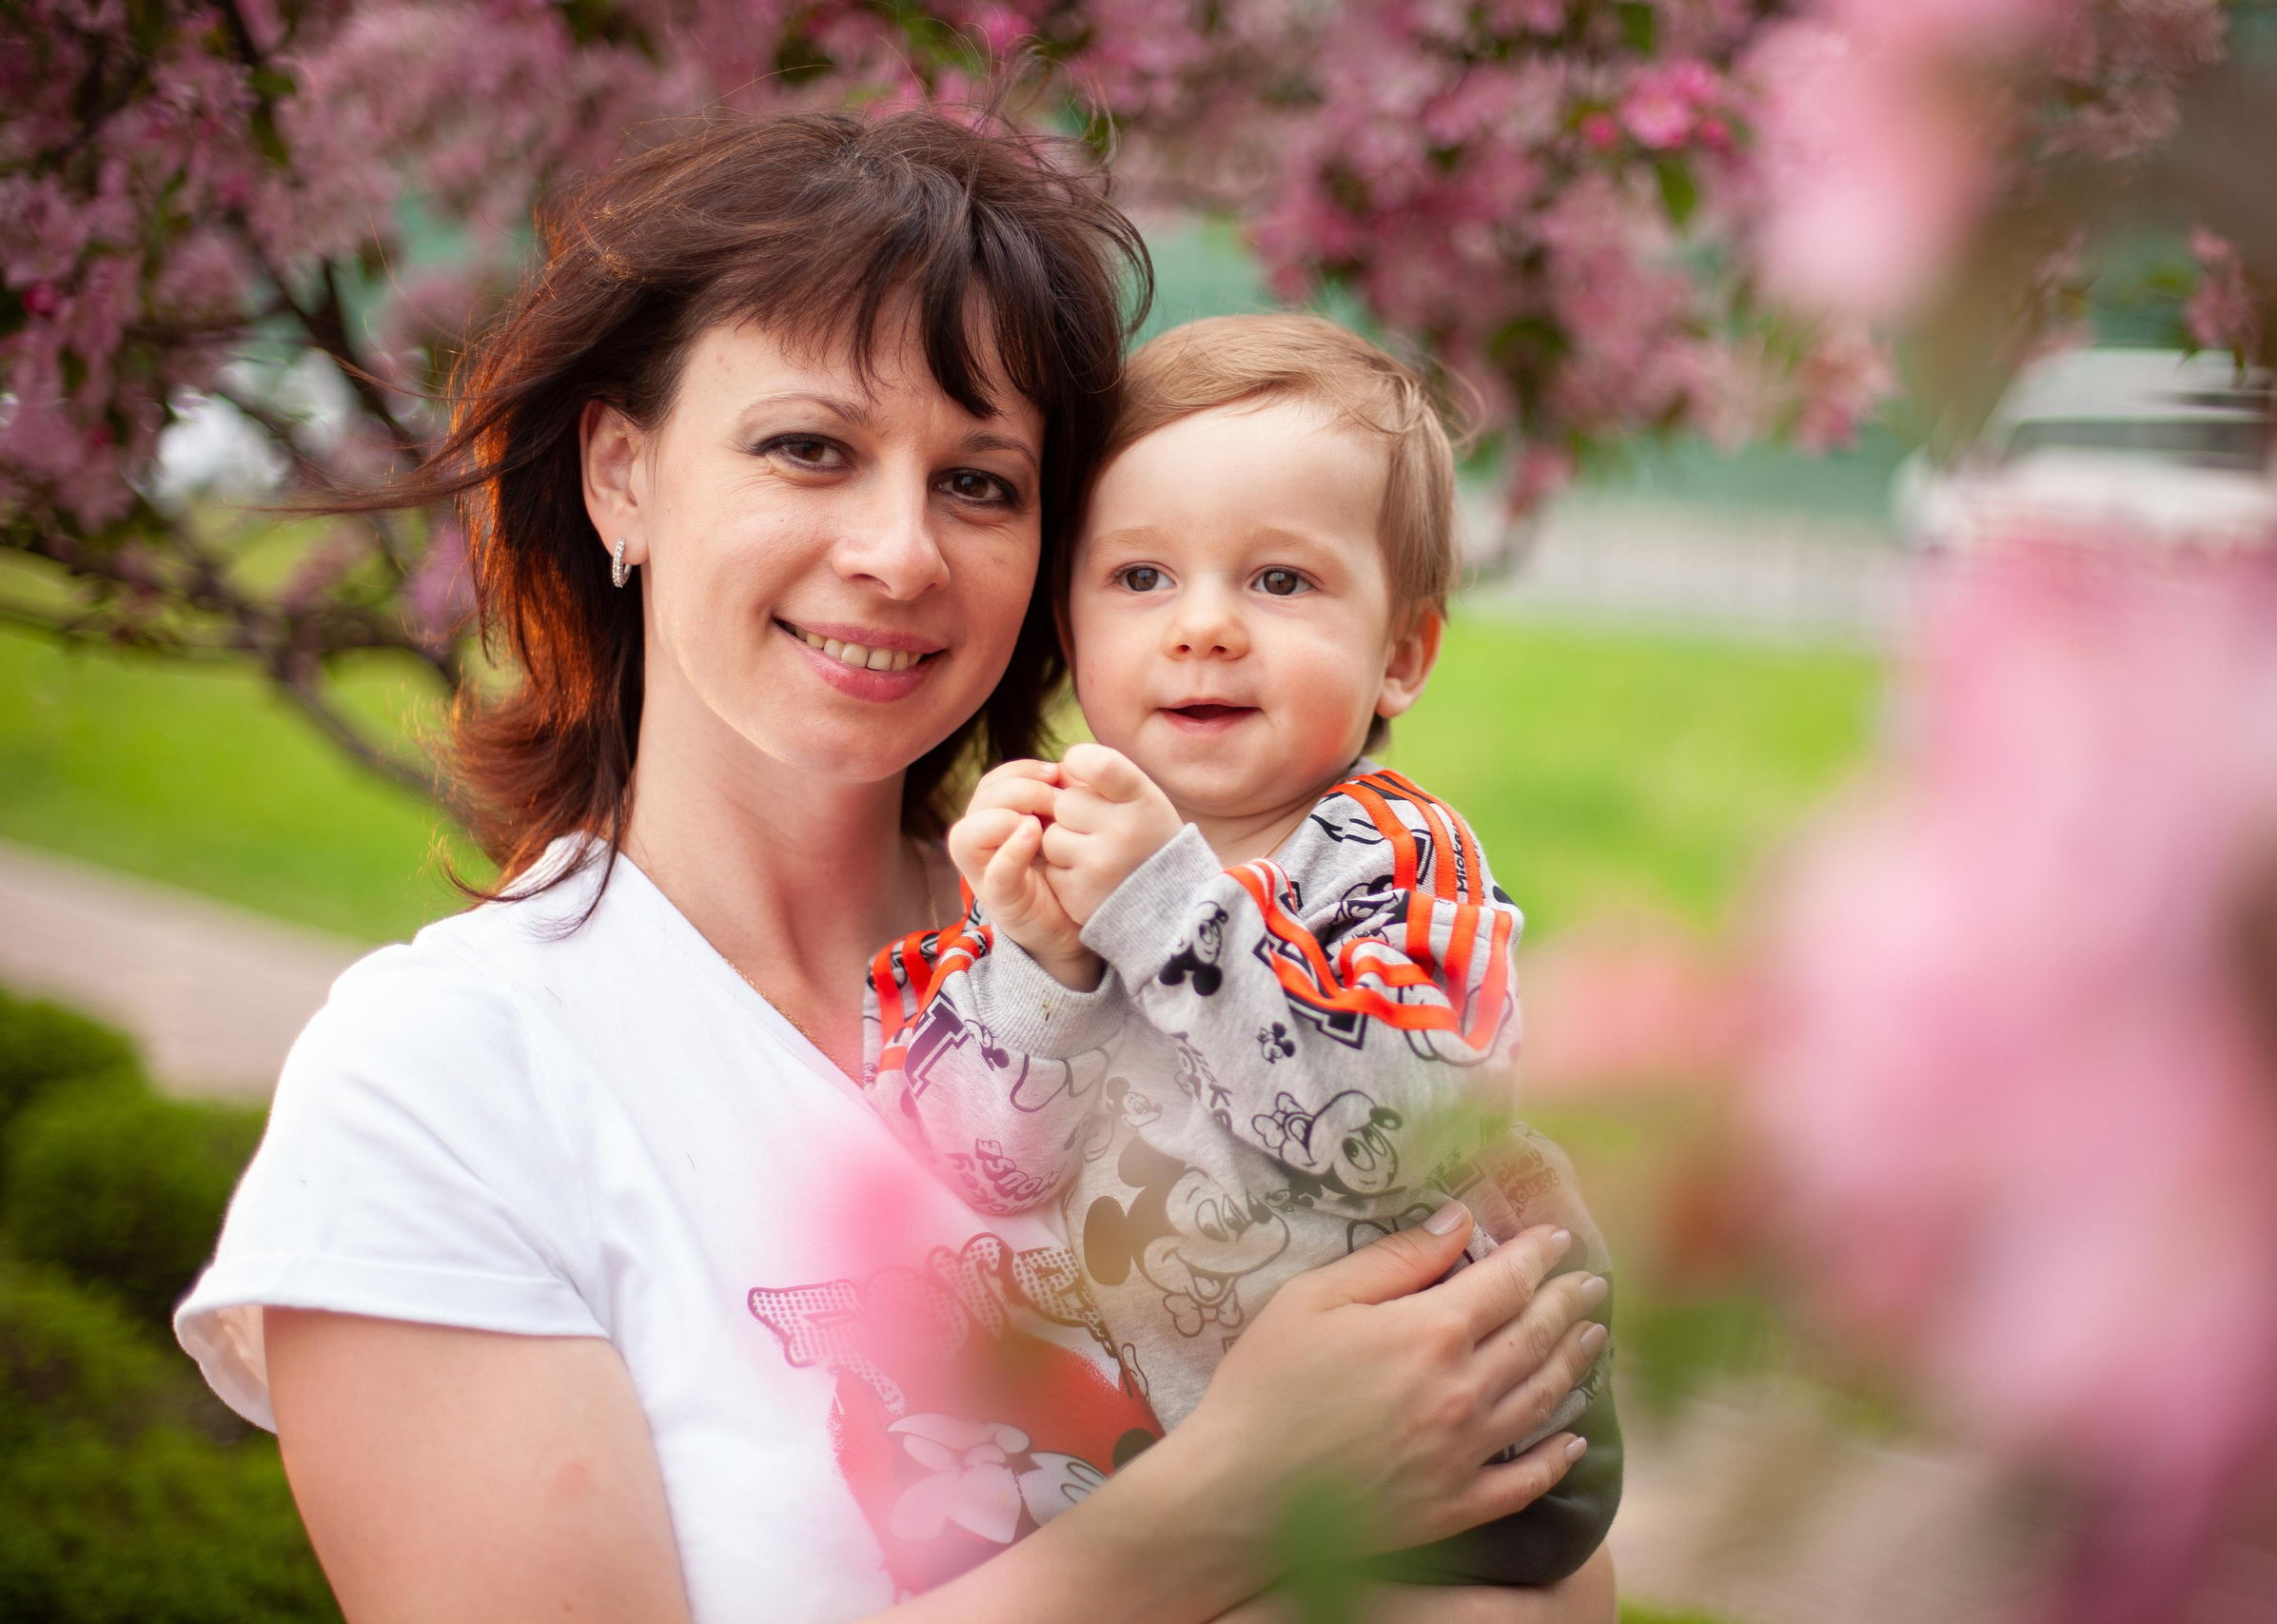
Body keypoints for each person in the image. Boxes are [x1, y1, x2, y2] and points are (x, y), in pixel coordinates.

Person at [170, 109, 1618, 1624]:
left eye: (980, 483)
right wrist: (1238, 1503)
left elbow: (1537, 1554)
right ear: (621, 475)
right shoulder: (445, 1083)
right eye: (810, 448)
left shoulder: (1221, 948)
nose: (900, 552)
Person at [861, 317, 1620, 1586]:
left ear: (1403, 653)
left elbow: (1395, 1128)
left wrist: (1168, 908)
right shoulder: (1046, 864)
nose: (1205, 626)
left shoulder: (1392, 860)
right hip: (1173, 1478)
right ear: (1071, 624)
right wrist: (1038, 970)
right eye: (1142, 578)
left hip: (1444, 1475)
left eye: (1280, 582)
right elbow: (977, 1165)